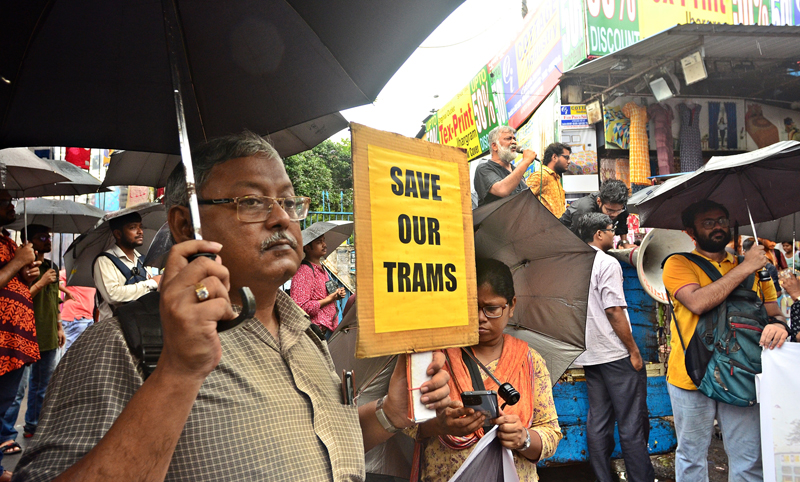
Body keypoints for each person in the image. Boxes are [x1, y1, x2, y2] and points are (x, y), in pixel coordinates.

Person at [13, 131, 451, 481]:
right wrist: (177, 375)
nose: (281, 217)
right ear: (185, 225)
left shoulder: (307, 338)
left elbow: (320, 450)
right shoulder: (127, 345)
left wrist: (391, 414)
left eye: (288, 201)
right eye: (252, 202)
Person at [662, 200, 789, 482]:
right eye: (708, 222)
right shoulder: (677, 264)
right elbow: (697, 302)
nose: (717, 227)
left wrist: (779, 326)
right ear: (690, 232)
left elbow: (774, 311)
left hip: (741, 371)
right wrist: (745, 269)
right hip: (691, 374)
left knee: (748, 458)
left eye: (721, 220)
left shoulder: (754, 266)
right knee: (692, 457)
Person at [408, 258, 561, 481]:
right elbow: (408, 423)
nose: (481, 318)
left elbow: (550, 431)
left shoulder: (530, 361)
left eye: (491, 309)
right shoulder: (436, 357)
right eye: (471, 307)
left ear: (512, 306)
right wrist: (439, 425)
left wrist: (523, 438)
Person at [572, 213, 654, 482]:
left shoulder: (573, 263)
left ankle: (602, 477)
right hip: (615, 352)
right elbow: (614, 310)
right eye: (610, 230)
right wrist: (633, 349)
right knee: (631, 424)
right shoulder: (606, 263)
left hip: (590, 354)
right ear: (598, 234)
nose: (614, 235)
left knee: (598, 420)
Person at [3, 226, 69, 444]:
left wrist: (59, 327)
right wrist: (40, 282)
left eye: (49, 237)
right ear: (28, 241)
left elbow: (53, 301)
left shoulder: (51, 266)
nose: (47, 241)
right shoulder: (22, 265)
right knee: (16, 392)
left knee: (42, 385)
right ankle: (7, 435)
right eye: (42, 237)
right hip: (24, 335)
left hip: (48, 333)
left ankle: (34, 425)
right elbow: (20, 298)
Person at [0, 191, 40, 482]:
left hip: (15, 342)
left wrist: (26, 274)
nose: (11, 205)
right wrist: (17, 262)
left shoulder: (8, 240)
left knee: (3, 406)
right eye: (4, 201)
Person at [92, 212, 159, 320]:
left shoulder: (144, 260)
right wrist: (151, 283)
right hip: (115, 328)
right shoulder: (105, 261)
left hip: (141, 325)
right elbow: (113, 295)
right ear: (118, 234)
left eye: (140, 227)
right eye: (133, 228)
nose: (140, 231)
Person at [290, 233, 346, 338]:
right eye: (319, 242)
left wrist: (337, 294)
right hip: (317, 332)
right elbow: (301, 308)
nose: (324, 245)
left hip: (330, 328)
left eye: (324, 240)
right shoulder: (304, 271)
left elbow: (322, 294)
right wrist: (330, 298)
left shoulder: (322, 269)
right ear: (307, 247)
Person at [473, 126, 537, 207]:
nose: (514, 142)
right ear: (494, 146)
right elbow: (502, 190)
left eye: (514, 139)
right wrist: (525, 161)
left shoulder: (515, 170)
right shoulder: (483, 169)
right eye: (508, 138)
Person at [560, 180, 632, 247]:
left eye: (618, 211)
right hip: (567, 239)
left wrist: (624, 243)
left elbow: (622, 223)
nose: (614, 214)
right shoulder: (585, 210)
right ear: (599, 201)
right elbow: (579, 238)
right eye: (610, 210)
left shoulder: (621, 205)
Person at [525, 142, 570, 218]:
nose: (569, 161)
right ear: (554, 157)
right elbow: (523, 201)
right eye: (566, 157)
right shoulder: (541, 176)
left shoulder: (556, 178)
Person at [58, 269, 96, 352]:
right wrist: (67, 292)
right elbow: (53, 280)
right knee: (72, 352)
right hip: (75, 316)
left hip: (88, 317)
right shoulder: (72, 271)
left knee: (82, 353)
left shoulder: (92, 273)